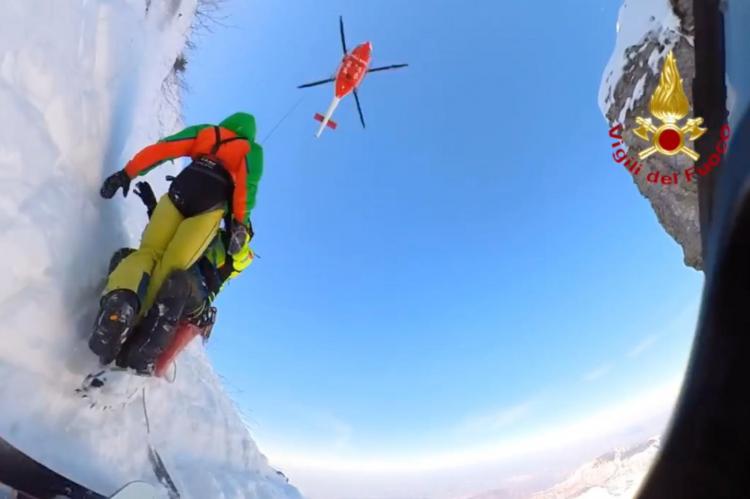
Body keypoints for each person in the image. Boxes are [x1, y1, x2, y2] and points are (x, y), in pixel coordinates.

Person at [88, 112, 263, 368]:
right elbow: (247, 187)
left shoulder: (207, 131)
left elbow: (164, 148)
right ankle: (134, 334)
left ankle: (121, 306)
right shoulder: (250, 151)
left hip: (181, 191)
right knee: (172, 269)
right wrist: (238, 222)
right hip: (209, 205)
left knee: (148, 255)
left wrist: (128, 173)